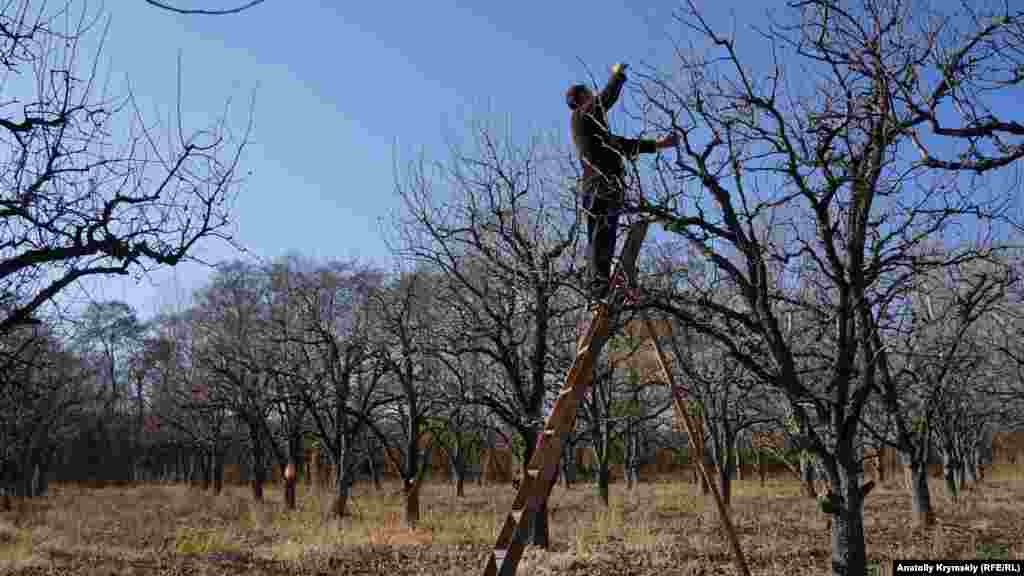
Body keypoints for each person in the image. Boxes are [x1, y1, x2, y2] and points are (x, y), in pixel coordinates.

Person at [566, 63, 677, 304]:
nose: (594, 97)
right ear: (581, 99)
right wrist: (617, 76)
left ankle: (601, 285)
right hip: (599, 185)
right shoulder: (580, 116)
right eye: (589, 94)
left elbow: (625, 145)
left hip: (609, 186)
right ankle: (597, 289)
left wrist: (658, 144)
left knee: (606, 236)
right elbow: (604, 100)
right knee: (600, 237)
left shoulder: (598, 133)